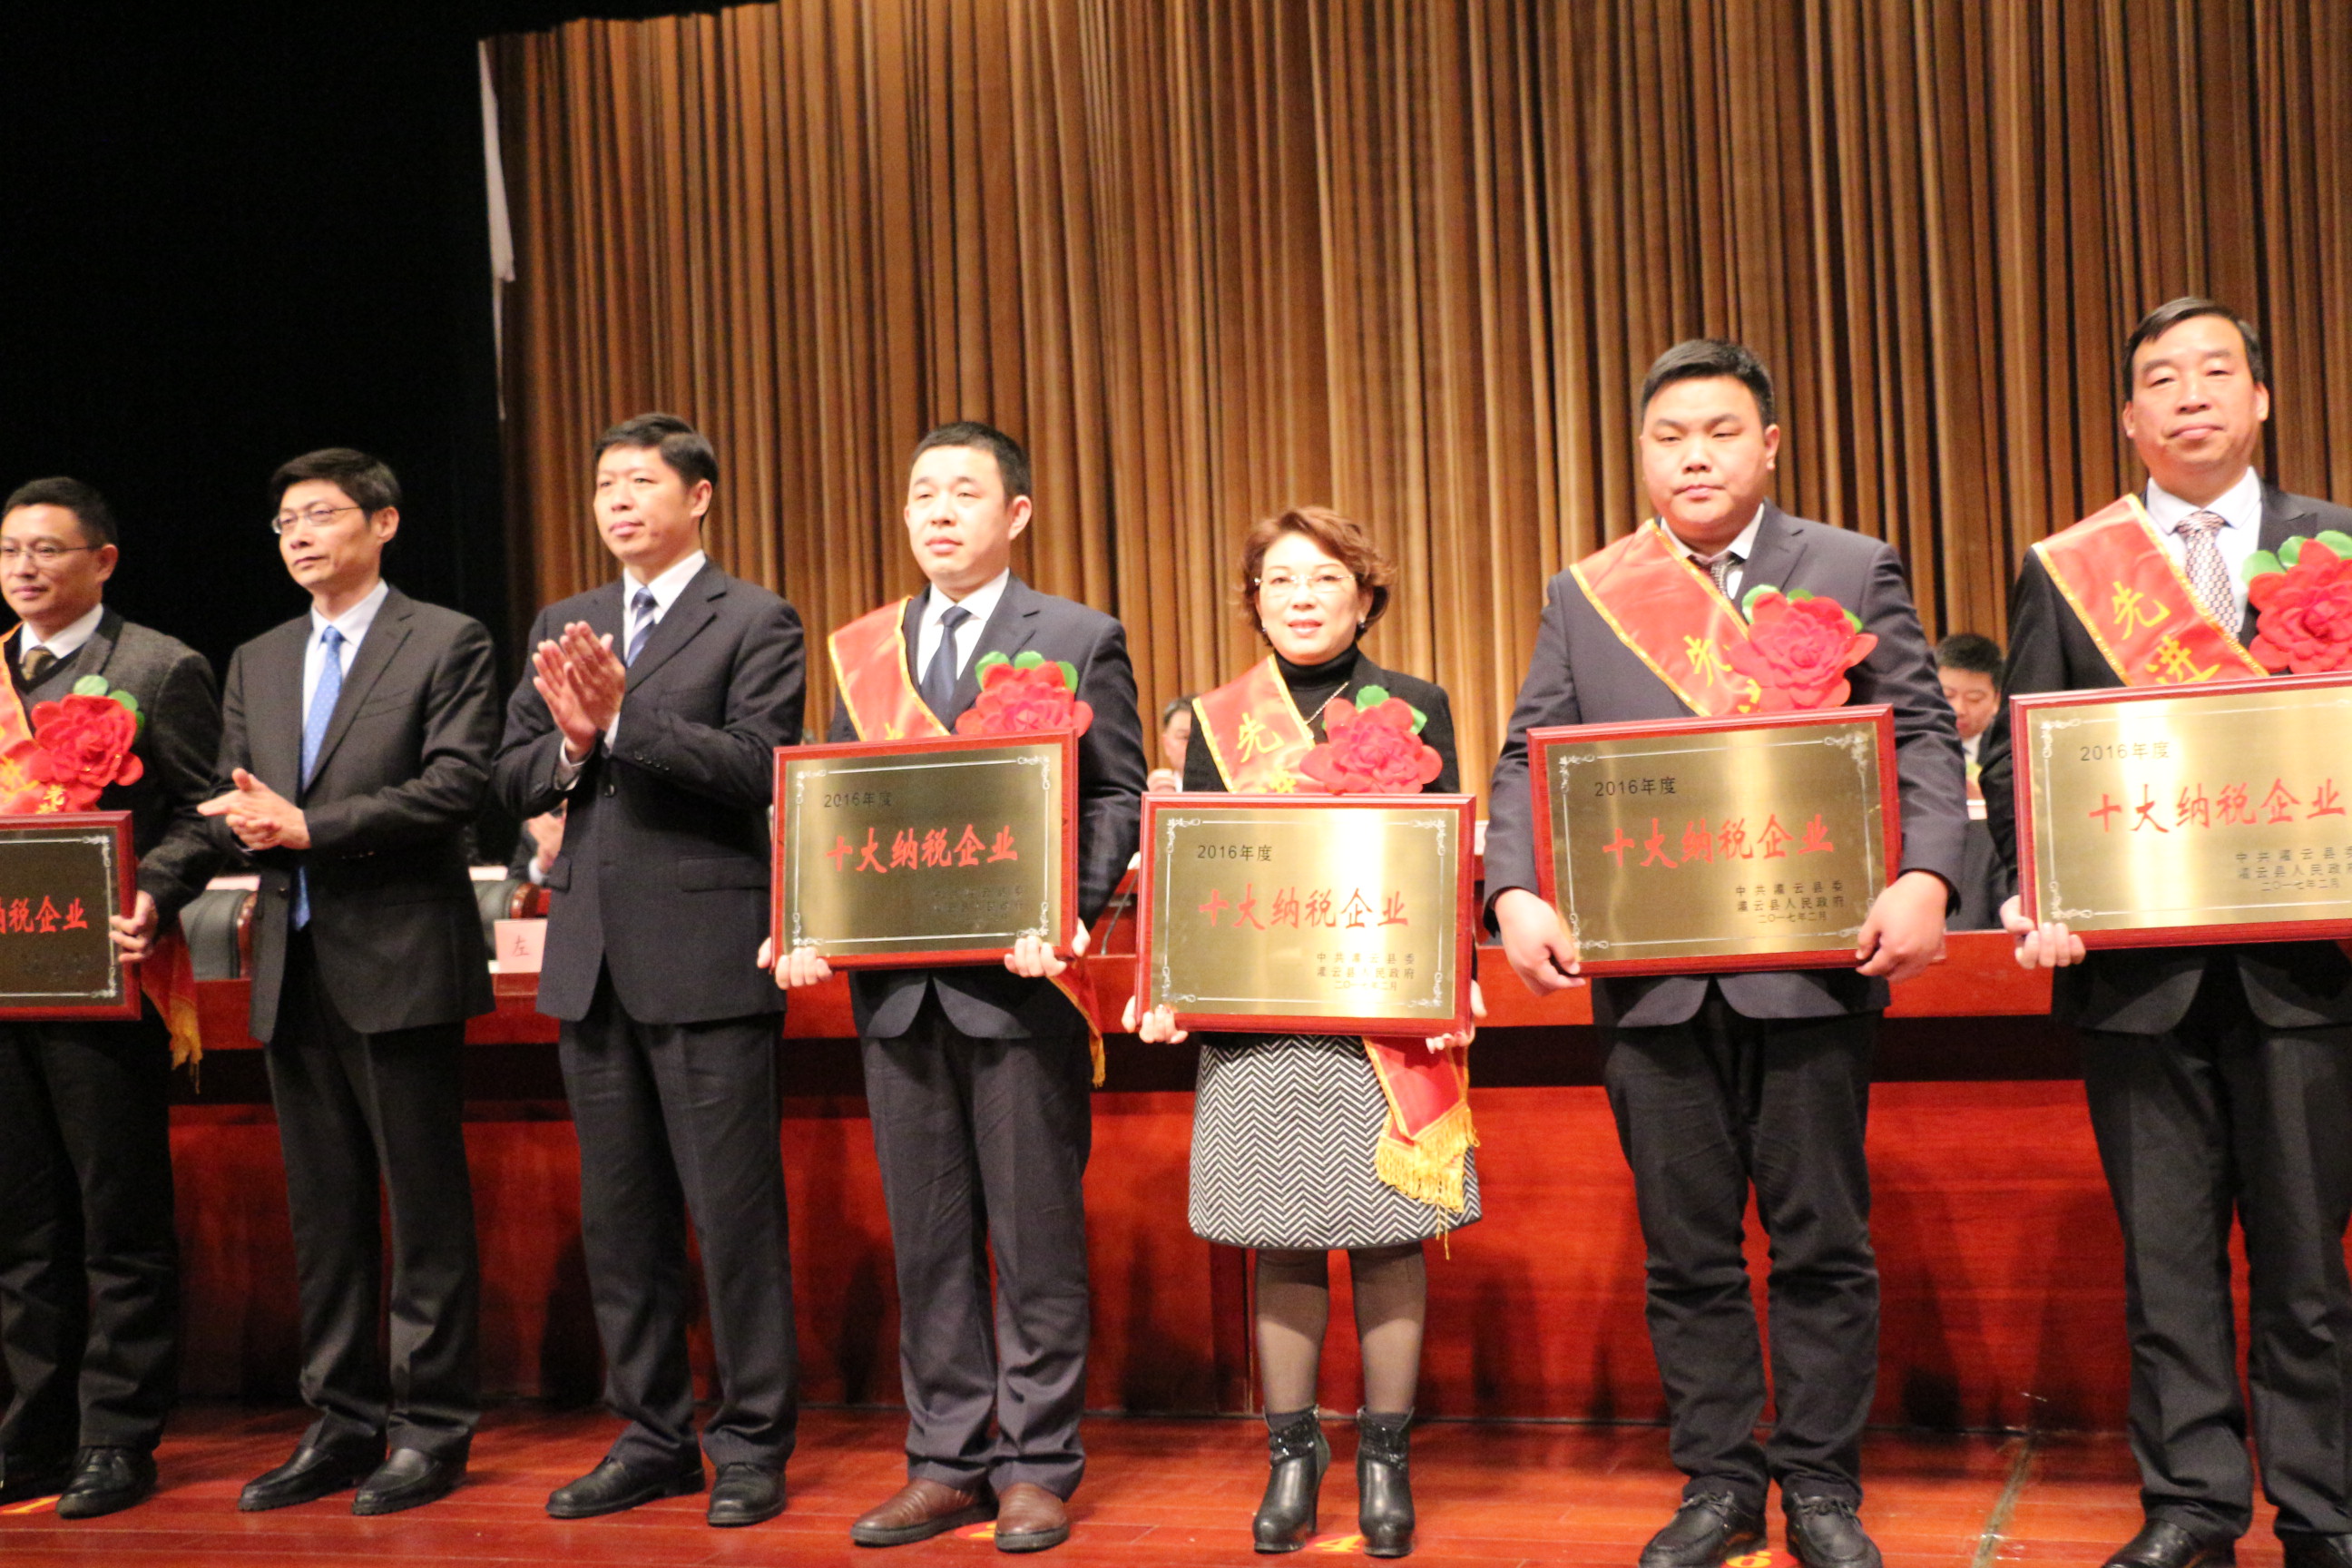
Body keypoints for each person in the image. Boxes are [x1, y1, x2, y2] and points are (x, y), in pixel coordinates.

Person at [1485, 340, 1966, 1568]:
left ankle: (1821, 1485)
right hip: (1650, 977)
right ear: (1643, 456)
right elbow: (1528, 753)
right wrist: (1517, 889)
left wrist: (1927, 874)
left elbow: (1921, 730)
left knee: (1822, 1241)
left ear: (1769, 446)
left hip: (1811, 963)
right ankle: (1716, 1484)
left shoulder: (1849, 566)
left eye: (1720, 432)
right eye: (1669, 438)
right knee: (1687, 1246)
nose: (1693, 457)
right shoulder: (1588, 594)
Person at [1987, 299, 2352, 1568]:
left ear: (2260, 398)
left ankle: (2324, 1508)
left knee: (2308, 1267)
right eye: (2163, 378)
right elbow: (2018, 753)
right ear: (2129, 417)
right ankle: (2192, 1503)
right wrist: (2034, 884)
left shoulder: (2338, 545)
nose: (2192, 394)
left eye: (2216, 370)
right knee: (2170, 1262)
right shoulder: (2070, 567)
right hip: (2135, 981)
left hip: (2308, 975)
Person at [772, 421, 1144, 1553]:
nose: (938, 511)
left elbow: (1115, 795)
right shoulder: (863, 651)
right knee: (929, 1244)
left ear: (1015, 513)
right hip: (896, 995)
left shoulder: (1077, 637)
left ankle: (1037, 1465)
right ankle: (944, 1462)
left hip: (1022, 991)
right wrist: (803, 922)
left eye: (964, 492)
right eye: (922, 492)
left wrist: (1070, 910)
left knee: (1035, 1242)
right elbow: (841, 805)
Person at [1127, 506, 1481, 1558]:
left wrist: (1455, 981)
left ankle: (1385, 1457)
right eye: (1279, 580)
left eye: (1325, 578)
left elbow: (1439, 861)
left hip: (1380, 1019)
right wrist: (1166, 982)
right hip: (1260, 1015)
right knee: (1278, 1233)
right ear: (1255, 602)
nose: (1301, 597)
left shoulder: (1415, 704)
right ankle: (1291, 1454)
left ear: (1365, 597)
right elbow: (1198, 876)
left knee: (1387, 1235)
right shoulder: (1213, 719)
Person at [490, 413, 803, 1529]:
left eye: (640, 481)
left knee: (733, 1218)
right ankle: (654, 1437)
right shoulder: (564, 622)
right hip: (591, 962)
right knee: (621, 1223)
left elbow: (761, 766)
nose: (618, 502)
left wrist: (625, 720)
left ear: (699, 496)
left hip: (707, 957)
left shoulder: (755, 619)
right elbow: (509, 771)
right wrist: (573, 744)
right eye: (605, 485)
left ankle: (753, 1442)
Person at [204, 449, 496, 1516]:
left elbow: (456, 786)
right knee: (324, 1218)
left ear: (383, 522)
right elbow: (236, 790)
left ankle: (431, 1430)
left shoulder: (447, 639)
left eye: (320, 514)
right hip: (294, 964)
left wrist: (309, 826)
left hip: (402, 960)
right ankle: (338, 1423)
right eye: (284, 520)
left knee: (423, 1212)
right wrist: (239, 821)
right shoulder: (260, 656)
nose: (298, 535)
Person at [0, 478, 223, 1518]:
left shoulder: (157, 667)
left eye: (47, 549)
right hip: (4, 983)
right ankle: (30, 1435)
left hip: (105, 979)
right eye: (10, 550)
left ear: (103, 561)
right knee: (21, 1227)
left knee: (118, 1219)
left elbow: (206, 813)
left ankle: (118, 1439)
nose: (24, 568)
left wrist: (154, 889)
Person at [1935, 633, 2009, 928]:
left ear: (1996, 700)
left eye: (1975, 698)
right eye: (1948, 695)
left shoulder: (2010, 750)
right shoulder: (1913, 751)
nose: (1959, 709)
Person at [1146, 695, 1193, 792]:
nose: (1194, 745)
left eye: (1201, 738)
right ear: (1166, 744)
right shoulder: (1155, 789)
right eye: (1185, 737)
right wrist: (1146, 799)